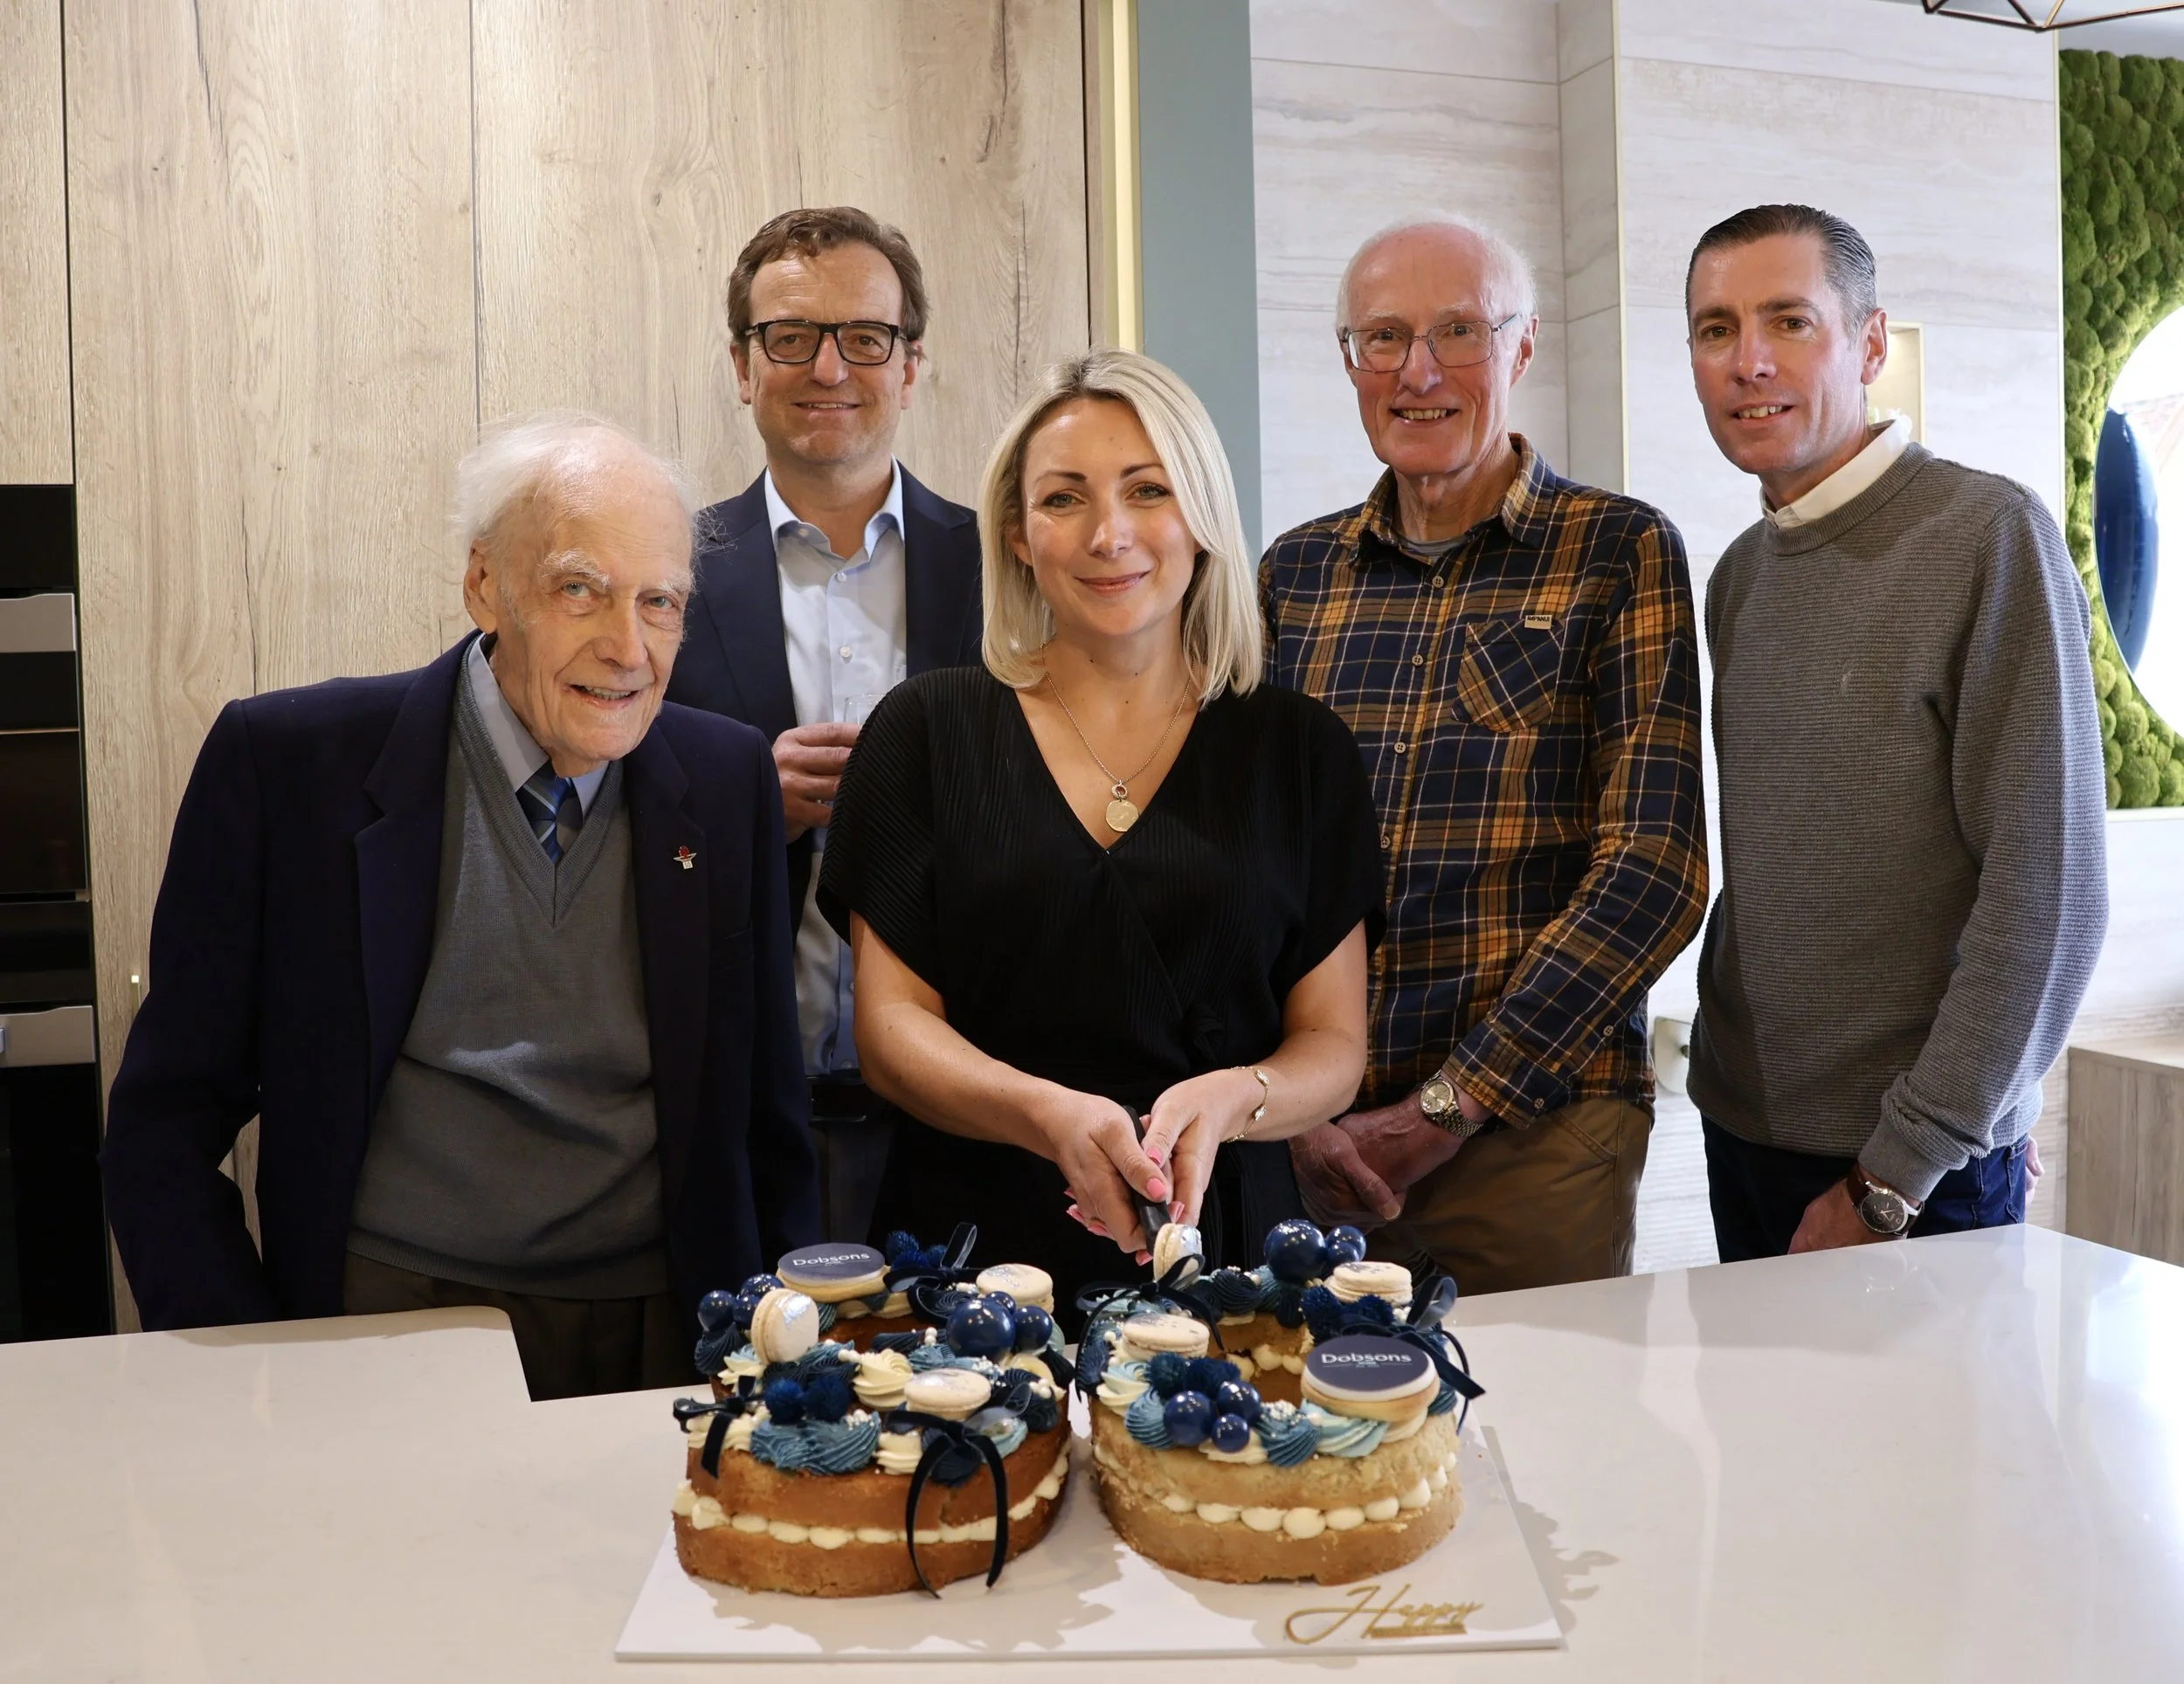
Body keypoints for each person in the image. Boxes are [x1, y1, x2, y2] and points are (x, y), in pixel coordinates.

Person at [100, 415, 817, 1398]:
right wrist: (244, 1361)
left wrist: (785, 1368)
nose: (628, 647)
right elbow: (163, 1124)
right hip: (388, 1322)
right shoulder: (289, 767)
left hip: (663, 1334)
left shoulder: (727, 777)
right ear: (486, 583)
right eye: (580, 589)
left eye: (661, 602)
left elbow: (767, 1120)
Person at [816, 349, 1384, 1316]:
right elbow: (890, 1027)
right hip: (975, 1243)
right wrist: (1046, 1113)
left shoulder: (1299, 747)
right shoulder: (923, 731)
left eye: (1147, 490)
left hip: (1225, 1239)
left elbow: (1332, 1044)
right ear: (1018, 536)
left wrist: (1238, 1094)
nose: (1109, 533)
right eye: (1065, 498)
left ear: (1201, 518)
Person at [1267, 216, 1708, 1295]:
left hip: (1534, 1133)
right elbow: (1248, 865)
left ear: (1521, 347)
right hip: (1315, 1148)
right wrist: (1287, 1103)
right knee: (1328, 1452)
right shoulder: (1293, 575)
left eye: (1457, 330)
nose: (1418, 371)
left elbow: (1655, 871)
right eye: (1383, 337)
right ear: (1349, 363)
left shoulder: (1620, 549)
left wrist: (1450, 1103)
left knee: (1545, 1448)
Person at [1682, 204, 2106, 1258]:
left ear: (1870, 343)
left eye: (1789, 321)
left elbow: (2050, 895)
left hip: (1901, 1174)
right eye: (1715, 329)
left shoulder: (1986, 535)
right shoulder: (1739, 573)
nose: (1748, 362)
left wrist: (1910, 1159)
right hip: (1746, 1130)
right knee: (1765, 1431)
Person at [667, 206, 983, 1245]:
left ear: (912, 361)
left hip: (966, 1099)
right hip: (732, 1099)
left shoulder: (1011, 571)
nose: (828, 366)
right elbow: (603, 804)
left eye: (865, 336)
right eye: (790, 336)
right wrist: (739, 796)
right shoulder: (662, 574)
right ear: (742, 364)